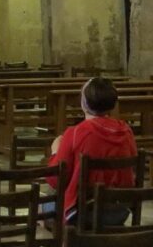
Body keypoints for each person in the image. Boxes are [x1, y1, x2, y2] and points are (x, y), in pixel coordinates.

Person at [46, 77, 137, 225]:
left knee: (45, 203)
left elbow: (56, 180)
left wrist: (55, 152)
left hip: (84, 212)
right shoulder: (126, 131)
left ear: (84, 103)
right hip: (119, 210)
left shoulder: (75, 133)